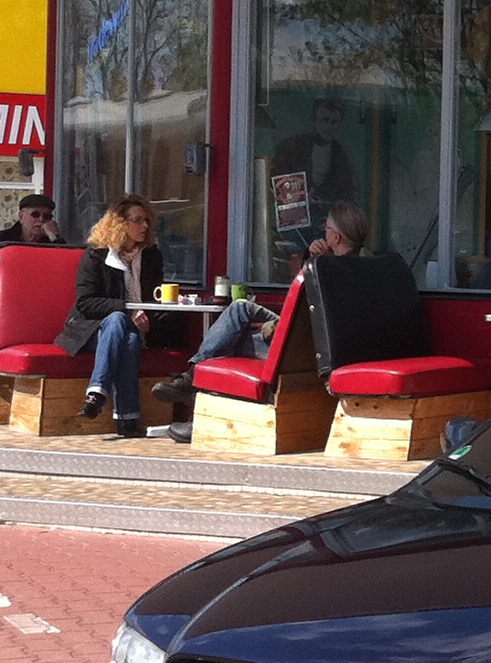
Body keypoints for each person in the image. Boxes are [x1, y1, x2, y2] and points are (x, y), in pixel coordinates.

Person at [151, 202, 372, 421]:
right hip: (315, 339)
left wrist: (270, 327)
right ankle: (191, 380)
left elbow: (308, 315)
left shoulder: (328, 273)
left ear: (337, 238)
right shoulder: (365, 265)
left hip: (303, 347)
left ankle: (196, 395)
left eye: (328, 229)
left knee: (230, 340)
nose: (324, 233)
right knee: (240, 308)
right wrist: (312, 257)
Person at [56, 195, 172, 438]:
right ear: (119, 224)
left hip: (135, 330)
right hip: (91, 329)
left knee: (129, 338)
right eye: (137, 220)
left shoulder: (151, 255)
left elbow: (154, 298)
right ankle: (122, 414)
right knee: (119, 321)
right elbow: (85, 302)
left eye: (147, 220)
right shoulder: (97, 255)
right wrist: (127, 308)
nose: (145, 226)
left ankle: (102, 398)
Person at [0, 192, 61, 332]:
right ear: (21, 217)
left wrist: (54, 237)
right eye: (35, 215)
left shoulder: (54, 245)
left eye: (47, 216)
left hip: (35, 309)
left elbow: (64, 270)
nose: (41, 220)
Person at [267, 97, 358, 236]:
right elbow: (275, 182)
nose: (329, 127)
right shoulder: (292, 147)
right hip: (293, 221)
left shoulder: (342, 157)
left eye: (334, 123)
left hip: (326, 223)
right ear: (315, 121)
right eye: (325, 120)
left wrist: (335, 216)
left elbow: (349, 194)